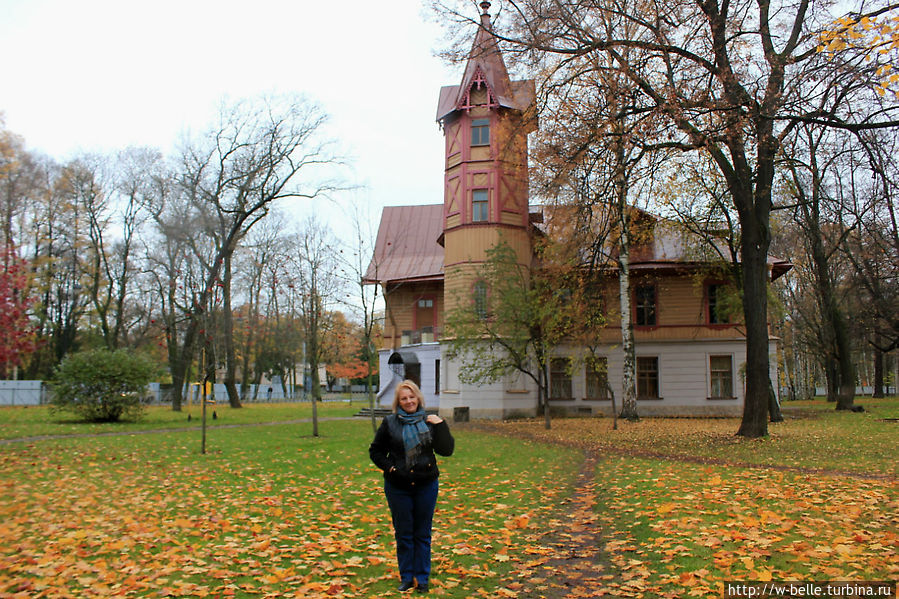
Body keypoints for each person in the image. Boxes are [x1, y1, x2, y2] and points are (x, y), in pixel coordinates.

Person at [369, 380, 454, 594]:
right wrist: (391, 469)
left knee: (422, 533)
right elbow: (376, 451)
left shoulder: (430, 421)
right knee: (404, 533)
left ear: (418, 398)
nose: (408, 401)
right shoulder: (390, 423)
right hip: (399, 486)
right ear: (398, 402)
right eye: (403, 398)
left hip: (426, 484)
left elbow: (447, 450)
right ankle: (407, 577)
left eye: (411, 397)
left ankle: (422, 578)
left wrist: (441, 425)